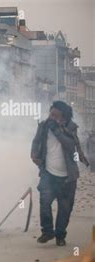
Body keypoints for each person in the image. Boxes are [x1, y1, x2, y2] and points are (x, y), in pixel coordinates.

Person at [31, 101, 90, 246]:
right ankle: (47, 232)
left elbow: (70, 146)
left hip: (68, 176)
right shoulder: (44, 126)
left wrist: (57, 130)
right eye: (51, 114)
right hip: (48, 173)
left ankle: (60, 235)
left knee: (65, 208)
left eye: (55, 115)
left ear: (64, 117)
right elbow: (36, 141)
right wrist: (33, 155)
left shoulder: (71, 127)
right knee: (44, 203)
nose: (52, 117)